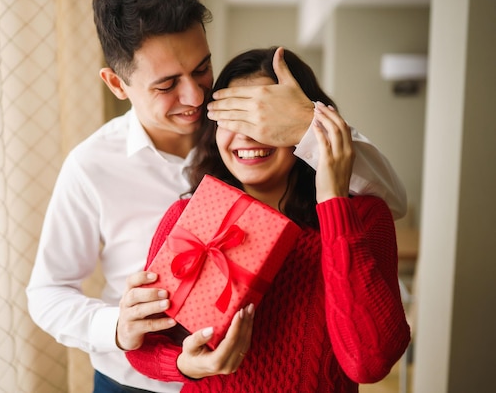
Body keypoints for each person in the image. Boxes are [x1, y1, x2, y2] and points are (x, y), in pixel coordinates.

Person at [26, 0, 407, 392]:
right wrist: (119, 325)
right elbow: (48, 292)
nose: (194, 96)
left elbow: (389, 201)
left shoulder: (254, 123)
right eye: (167, 85)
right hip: (136, 380)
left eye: (202, 69)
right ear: (118, 84)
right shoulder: (91, 165)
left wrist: (306, 127)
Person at [125, 47, 412, 392]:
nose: (247, 135)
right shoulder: (187, 216)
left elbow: (369, 363)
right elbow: (144, 342)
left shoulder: (363, 217)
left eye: (265, 120)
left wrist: (333, 199)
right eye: (233, 118)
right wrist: (184, 365)